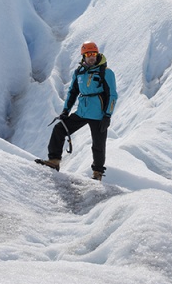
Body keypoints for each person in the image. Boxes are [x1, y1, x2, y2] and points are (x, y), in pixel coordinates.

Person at [37, 41, 117, 180]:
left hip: (98, 115)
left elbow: (112, 95)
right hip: (82, 112)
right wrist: (65, 111)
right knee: (59, 129)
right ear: (83, 56)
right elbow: (72, 92)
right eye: (88, 54)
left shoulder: (106, 72)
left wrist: (107, 116)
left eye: (93, 54)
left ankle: (97, 173)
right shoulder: (79, 72)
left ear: (97, 54)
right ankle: (54, 161)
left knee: (98, 144)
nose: (91, 57)